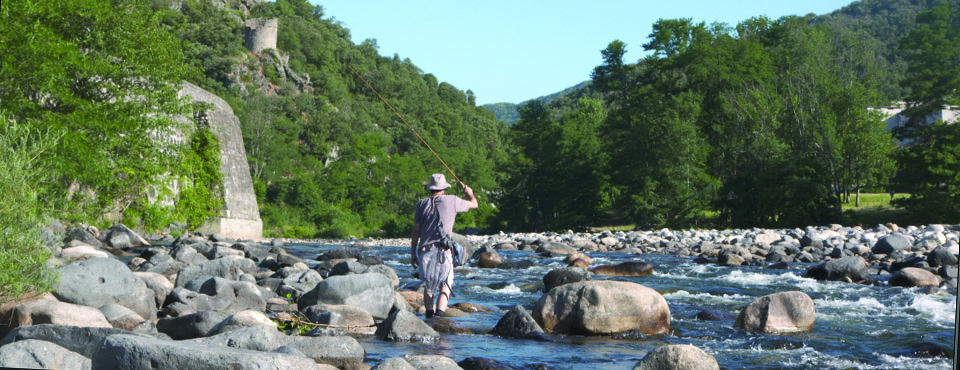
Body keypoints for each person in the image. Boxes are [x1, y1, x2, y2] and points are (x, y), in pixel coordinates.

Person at [410, 173, 478, 318]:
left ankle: (429, 317)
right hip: (444, 252)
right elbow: (474, 204)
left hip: (425, 252)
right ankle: (439, 317)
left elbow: (416, 231)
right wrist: (469, 194)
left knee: (429, 287)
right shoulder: (452, 200)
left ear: (431, 188)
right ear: (444, 188)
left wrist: (412, 254)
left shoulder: (421, 204)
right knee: (445, 286)